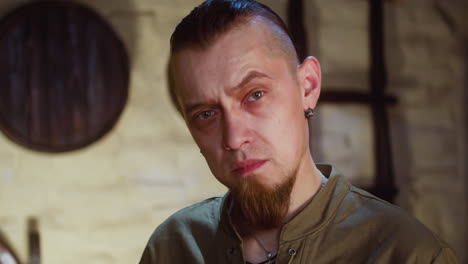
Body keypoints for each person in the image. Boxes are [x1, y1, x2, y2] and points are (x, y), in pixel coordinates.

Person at [139, 0, 458, 263]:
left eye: (255, 95)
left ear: (308, 86)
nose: (234, 138)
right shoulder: (171, 248)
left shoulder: (407, 254)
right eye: (206, 114)